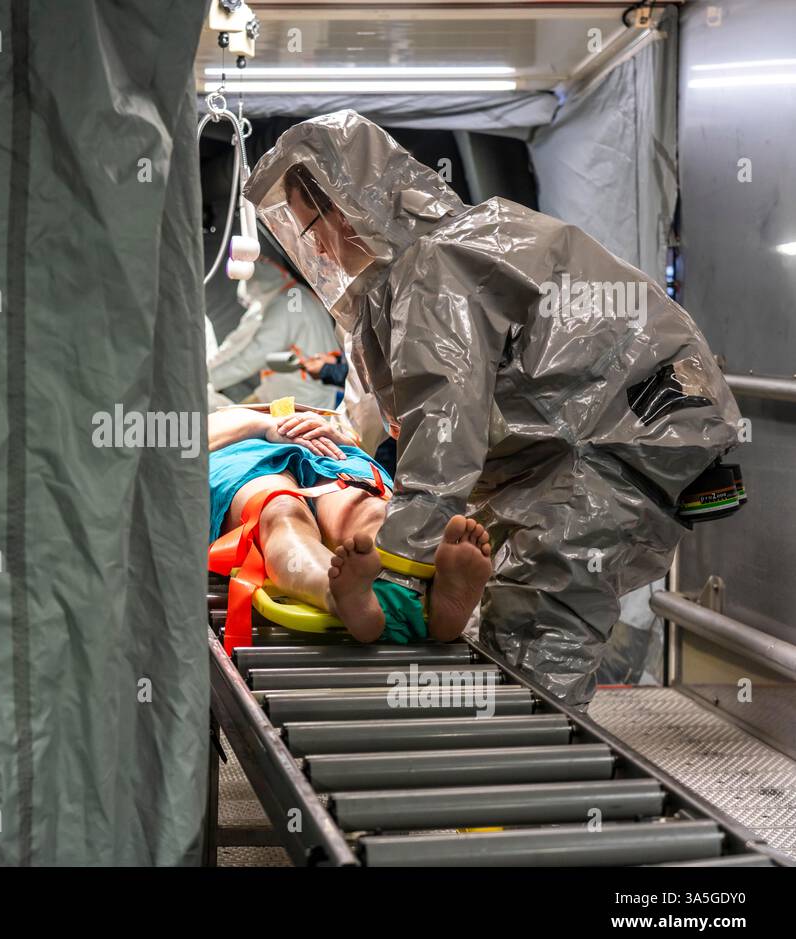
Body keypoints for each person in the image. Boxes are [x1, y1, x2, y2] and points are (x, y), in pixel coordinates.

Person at [245, 110, 742, 704]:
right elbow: (430, 406)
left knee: (537, 629)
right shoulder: (442, 254)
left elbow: (443, 420)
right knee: (503, 599)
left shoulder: (435, 264)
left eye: (317, 223)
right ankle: (517, 742)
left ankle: (544, 773)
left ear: (354, 202)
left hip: (615, 440)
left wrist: (400, 561)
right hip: (595, 439)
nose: (318, 247)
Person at [210, 407, 491, 644]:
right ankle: (341, 593)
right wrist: (267, 424)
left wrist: (340, 438)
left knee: (365, 507)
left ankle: (423, 589)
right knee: (279, 510)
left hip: (329, 449)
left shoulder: (330, 416)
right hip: (243, 453)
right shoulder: (221, 413)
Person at [209, 256, 339, 408]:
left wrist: (209, 380)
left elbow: (253, 357)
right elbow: (240, 338)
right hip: (312, 392)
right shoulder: (296, 294)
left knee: (225, 420)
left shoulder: (285, 304)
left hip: (300, 400)